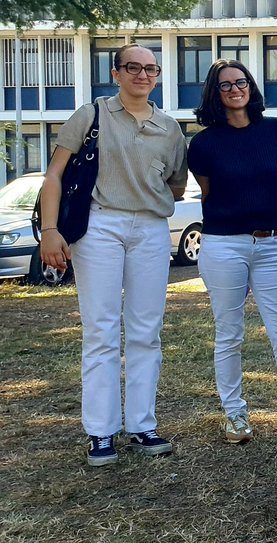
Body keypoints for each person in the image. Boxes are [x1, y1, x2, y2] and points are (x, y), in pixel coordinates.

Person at [39, 43, 188, 466]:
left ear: (157, 76)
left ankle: (142, 424)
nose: (143, 75)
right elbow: (54, 175)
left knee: (146, 329)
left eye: (151, 69)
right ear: (116, 72)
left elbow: (175, 185)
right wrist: (50, 231)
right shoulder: (91, 115)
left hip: (152, 228)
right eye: (134, 68)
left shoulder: (169, 127)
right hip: (99, 224)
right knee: (101, 329)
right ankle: (100, 431)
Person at [188, 59, 277, 444]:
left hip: (271, 243)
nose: (235, 89)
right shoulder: (203, 144)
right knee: (229, 333)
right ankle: (235, 415)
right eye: (226, 85)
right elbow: (209, 192)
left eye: (242, 81)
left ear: (251, 85)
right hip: (223, 245)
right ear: (214, 94)